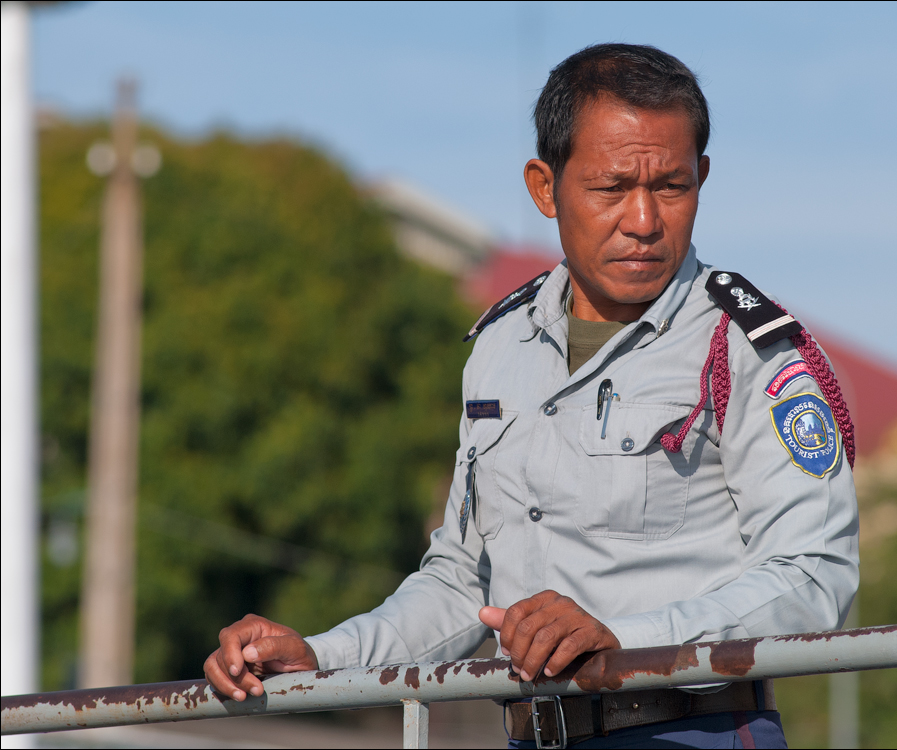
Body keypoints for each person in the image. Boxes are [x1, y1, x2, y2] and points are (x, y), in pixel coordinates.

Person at [205, 43, 859, 748]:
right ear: (544, 188)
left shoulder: (745, 347)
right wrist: (320, 660)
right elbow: (461, 584)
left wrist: (624, 644)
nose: (643, 220)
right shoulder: (498, 347)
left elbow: (814, 577)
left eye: (671, 187)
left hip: (694, 729)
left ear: (702, 176)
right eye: (611, 189)